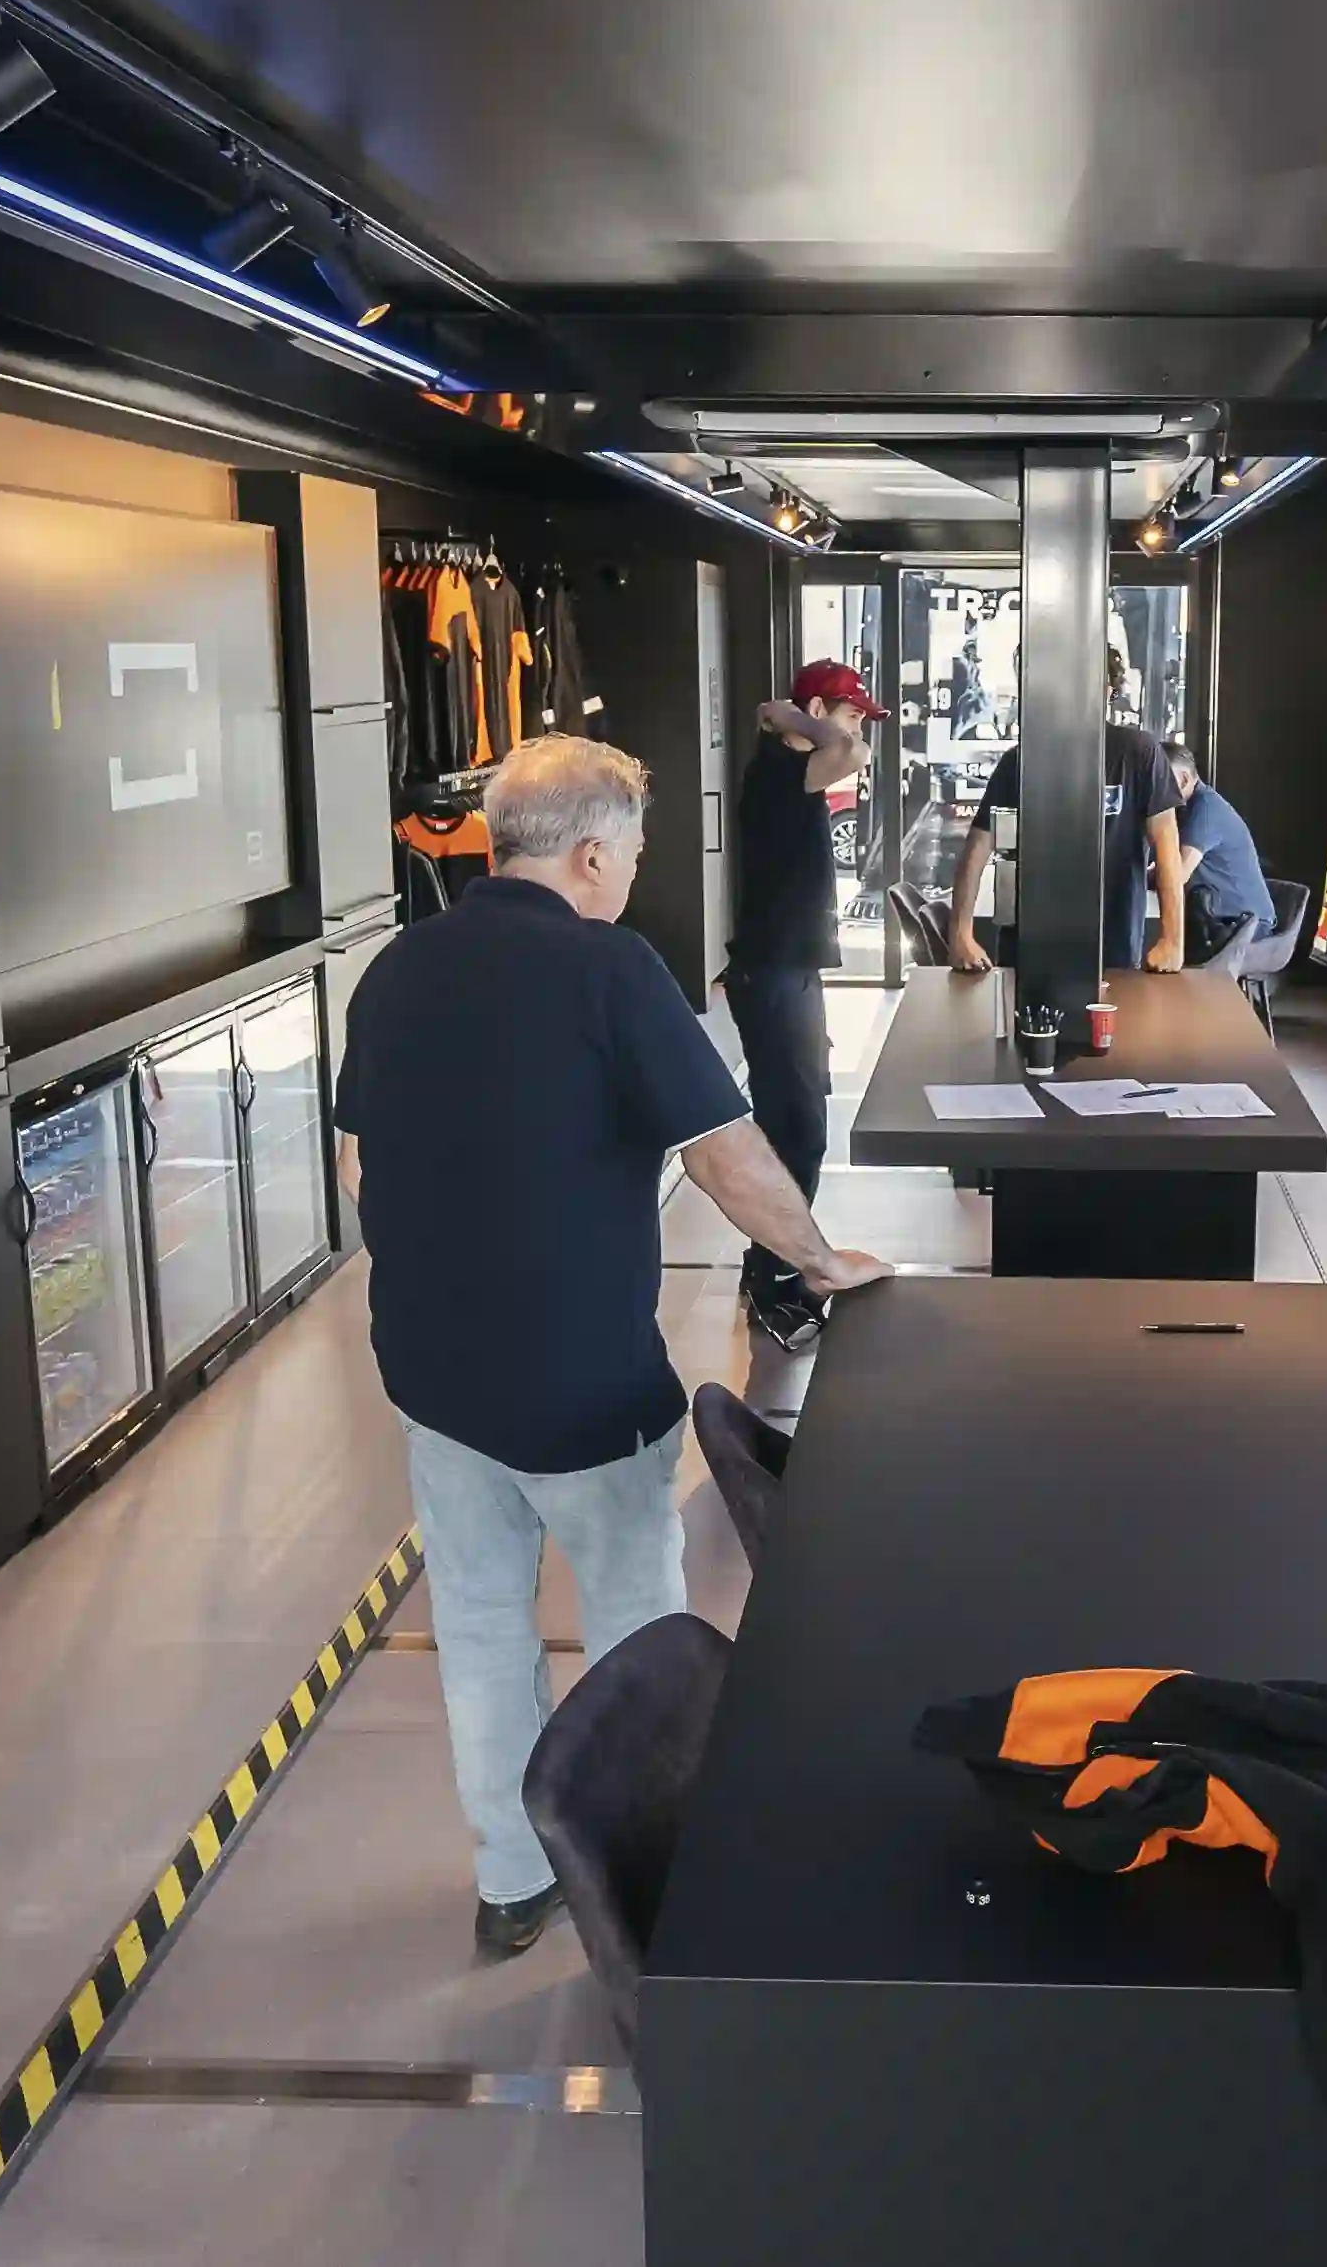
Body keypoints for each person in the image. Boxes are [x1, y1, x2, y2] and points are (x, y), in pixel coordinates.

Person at [335, 737, 891, 1953]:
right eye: (633, 850)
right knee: (638, 1634)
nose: (633, 872)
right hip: (582, 1381)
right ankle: (658, 1882)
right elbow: (721, 1149)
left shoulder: (395, 967)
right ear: (589, 852)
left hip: (433, 1376)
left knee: (482, 1625)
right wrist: (816, 1258)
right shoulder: (612, 970)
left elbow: (359, 1159)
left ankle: (514, 1877)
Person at [722, 659, 874, 1351]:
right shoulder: (780, 773)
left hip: (791, 971)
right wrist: (784, 711)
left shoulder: (795, 774)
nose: (853, 731)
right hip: (773, 974)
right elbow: (847, 750)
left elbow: (847, 747)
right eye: (848, 711)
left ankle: (774, 1268)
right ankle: (773, 1276)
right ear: (816, 710)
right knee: (796, 1132)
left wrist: (790, 714)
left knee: (803, 1124)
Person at [947, 652, 1185, 977]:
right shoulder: (1021, 760)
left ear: (1109, 689)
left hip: (1110, 939)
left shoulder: (1139, 753)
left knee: (1111, 1026)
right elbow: (977, 848)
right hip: (1030, 939)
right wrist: (960, 933)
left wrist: (1173, 939)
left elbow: (1167, 845)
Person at [1163, 740, 1277, 964]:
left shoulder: (1205, 809)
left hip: (1245, 925)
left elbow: (1178, 875)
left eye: (1159, 781)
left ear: (1184, 779)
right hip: (1221, 917)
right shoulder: (1188, 807)